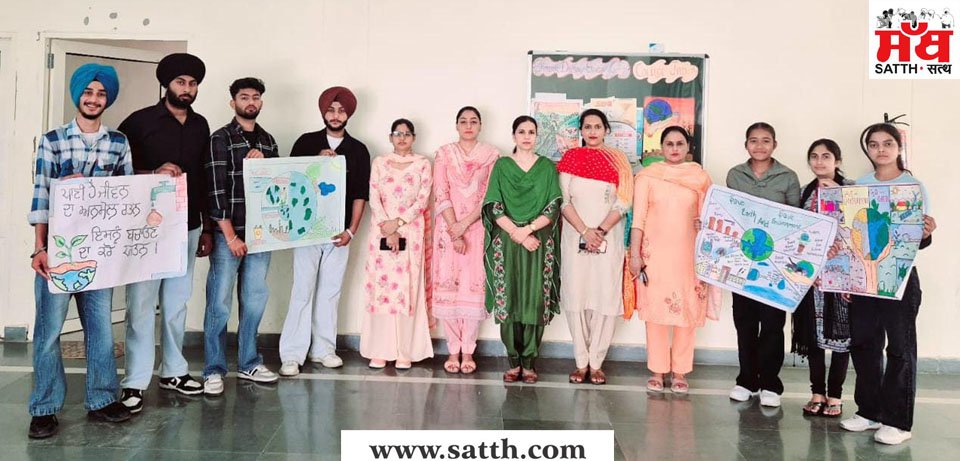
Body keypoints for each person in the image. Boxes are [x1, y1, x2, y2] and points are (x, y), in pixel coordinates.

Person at [27, 63, 133, 438]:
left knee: (101, 329)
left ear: (107, 99)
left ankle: (102, 399)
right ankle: (44, 408)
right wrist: (38, 249)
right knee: (49, 331)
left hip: (100, 252)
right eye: (88, 92)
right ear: (78, 96)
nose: (94, 99)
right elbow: (41, 196)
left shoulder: (118, 143)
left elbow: (125, 197)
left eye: (101, 93)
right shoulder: (52, 140)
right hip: (58, 251)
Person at [118, 53, 212, 411]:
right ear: (166, 84)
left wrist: (206, 227)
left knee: (176, 302)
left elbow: (204, 177)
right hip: (147, 228)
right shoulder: (138, 122)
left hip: (188, 226)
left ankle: (174, 371)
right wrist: (152, 172)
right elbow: (118, 173)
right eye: (180, 82)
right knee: (141, 304)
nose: (187, 89)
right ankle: (135, 381)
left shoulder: (201, 125)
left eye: (192, 83)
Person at [840, 123, 936, 445]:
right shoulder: (860, 185)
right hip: (864, 278)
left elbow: (916, 241)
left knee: (899, 348)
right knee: (864, 344)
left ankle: (898, 422)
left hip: (900, 278)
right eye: (874, 144)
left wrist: (926, 232)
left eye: (887, 143)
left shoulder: (913, 186)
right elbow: (851, 235)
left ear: (898, 147)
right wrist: (848, 278)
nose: (880, 149)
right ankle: (869, 412)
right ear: (867, 149)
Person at [278, 86, 371, 376]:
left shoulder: (358, 150)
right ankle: (292, 354)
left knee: (331, 292)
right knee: (302, 290)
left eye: (341, 110)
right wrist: (316, 162)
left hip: (338, 234)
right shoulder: (306, 142)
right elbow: (290, 182)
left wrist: (351, 231)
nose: (336, 115)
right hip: (306, 230)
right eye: (331, 109)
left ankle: (323, 349)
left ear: (349, 114)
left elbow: (360, 195)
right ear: (323, 112)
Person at [202, 77, 281, 394]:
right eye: (244, 97)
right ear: (232, 102)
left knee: (254, 300)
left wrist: (266, 164)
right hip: (229, 234)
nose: (251, 102)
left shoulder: (268, 141)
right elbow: (215, 190)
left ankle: (249, 363)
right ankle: (213, 369)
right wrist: (230, 236)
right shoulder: (220, 138)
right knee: (219, 303)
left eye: (256, 97)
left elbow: (278, 187)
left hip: (262, 234)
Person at [628, 126, 715, 394]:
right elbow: (638, 220)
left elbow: (711, 217)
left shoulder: (700, 178)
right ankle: (657, 370)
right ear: (662, 147)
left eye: (680, 143)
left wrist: (704, 223)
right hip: (655, 256)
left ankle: (680, 372)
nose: (675, 149)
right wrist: (634, 255)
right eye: (669, 144)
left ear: (688, 147)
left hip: (689, 255)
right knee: (655, 314)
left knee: (686, 313)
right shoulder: (647, 176)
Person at [726, 122, 800, 408]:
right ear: (746, 145)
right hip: (742, 263)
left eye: (765, 140)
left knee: (772, 324)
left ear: (774, 145)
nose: (759, 146)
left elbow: (796, 219)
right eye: (754, 140)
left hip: (776, 265)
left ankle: (770, 383)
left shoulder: (787, 177)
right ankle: (746, 380)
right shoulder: (735, 174)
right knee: (744, 323)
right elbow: (730, 213)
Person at [482, 116, 562, 384]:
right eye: (522, 131)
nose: (527, 136)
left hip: (538, 241)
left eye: (531, 132)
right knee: (509, 299)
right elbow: (494, 206)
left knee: (534, 300)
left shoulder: (546, 167)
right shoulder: (502, 166)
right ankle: (513, 362)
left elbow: (553, 206)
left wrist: (527, 230)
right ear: (513, 135)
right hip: (507, 242)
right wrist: (517, 233)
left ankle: (529, 362)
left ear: (537, 136)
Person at [558, 109, 634, 385]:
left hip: (608, 238)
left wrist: (599, 231)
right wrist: (585, 231)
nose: (592, 132)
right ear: (580, 130)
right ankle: (581, 363)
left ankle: (597, 363)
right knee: (576, 294)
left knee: (605, 294)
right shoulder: (570, 158)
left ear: (606, 130)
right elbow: (563, 201)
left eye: (598, 126)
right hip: (575, 236)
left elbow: (624, 202)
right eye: (587, 127)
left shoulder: (619, 161)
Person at [431, 106, 500, 375]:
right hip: (447, 229)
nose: (468, 125)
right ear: (456, 125)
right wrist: (454, 228)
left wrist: (464, 226)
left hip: (477, 227)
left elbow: (489, 195)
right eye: (463, 121)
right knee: (449, 286)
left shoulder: (491, 155)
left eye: (473, 121)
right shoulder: (444, 154)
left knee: (472, 288)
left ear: (480, 125)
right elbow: (441, 192)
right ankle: (453, 349)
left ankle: (468, 350)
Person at [360, 118, 434, 369]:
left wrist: (399, 223)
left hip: (411, 232)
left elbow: (422, 200)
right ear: (390, 137)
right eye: (397, 133)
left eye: (407, 134)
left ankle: (406, 350)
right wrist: (388, 227)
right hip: (381, 231)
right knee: (381, 288)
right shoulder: (379, 163)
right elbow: (374, 197)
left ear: (414, 138)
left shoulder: (422, 164)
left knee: (407, 288)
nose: (402, 138)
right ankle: (380, 349)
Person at [791, 139, 852, 417]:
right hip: (812, 276)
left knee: (842, 335)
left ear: (837, 161)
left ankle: (836, 395)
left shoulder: (852, 190)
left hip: (843, 275)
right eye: (814, 156)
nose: (819, 161)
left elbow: (862, 228)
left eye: (826, 156)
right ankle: (817, 392)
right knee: (813, 335)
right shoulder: (805, 193)